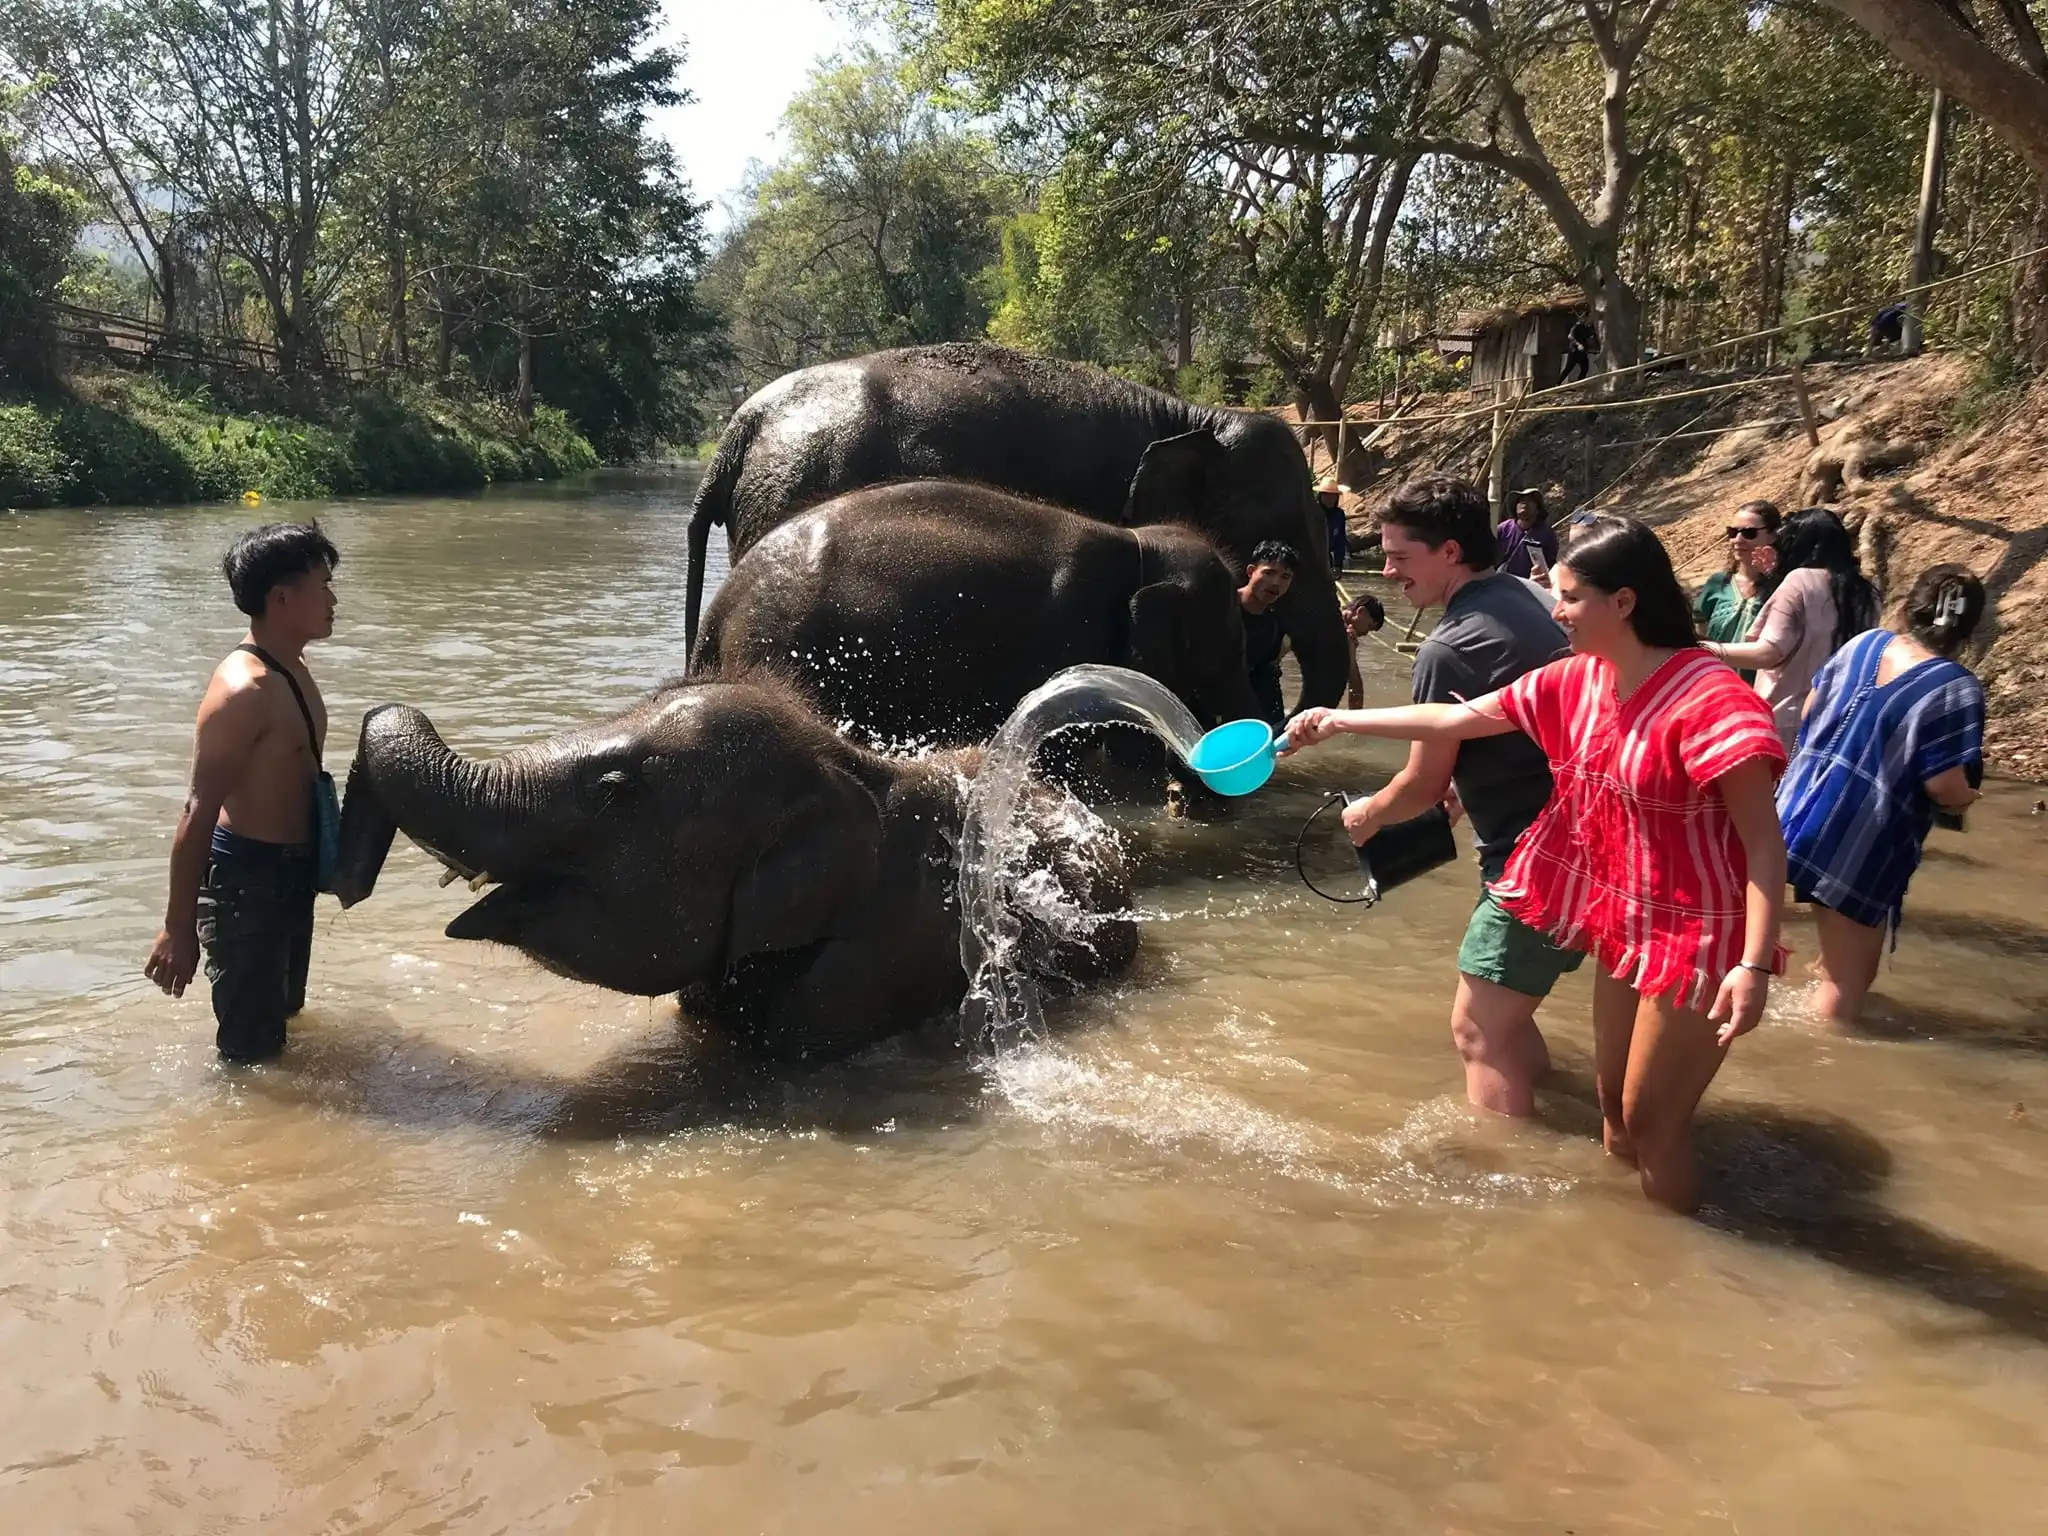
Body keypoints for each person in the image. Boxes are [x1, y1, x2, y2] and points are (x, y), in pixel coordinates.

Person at [1285, 515, 1788, 1211]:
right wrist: (1338, 721)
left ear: (1624, 602)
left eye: (1572, 597)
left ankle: (1695, 1262)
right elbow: (1458, 720)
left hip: (1700, 937)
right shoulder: (1578, 680)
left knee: (1654, 1126)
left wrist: (1754, 965)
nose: (1557, 612)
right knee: (1615, 1124)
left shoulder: (1711, 700)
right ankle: (1631, 1260)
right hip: (1626, 921)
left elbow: (1764, 843)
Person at [1326, 475, 1580, 1118]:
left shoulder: (1448, 647)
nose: (1386, 573)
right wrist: (1469, 789)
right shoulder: (1537, 596)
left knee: (1478, 1031)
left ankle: (1507, 1187)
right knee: (1509, 1016)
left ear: (1449, 553)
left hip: (1535, 860)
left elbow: (1420, 784)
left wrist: (1365, 817)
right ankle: (1569, 1127)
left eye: (1399, 556)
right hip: (1594, 844)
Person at [144, 523, 340, 1063]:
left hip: (290, 876)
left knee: (285, 1022)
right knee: (251, 1058)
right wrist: (176, 930)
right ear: (282, 598)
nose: (333, 599)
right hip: (246, 885)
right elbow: (197, 810)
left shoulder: (292, 668)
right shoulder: (244, 689)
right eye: (322, 586)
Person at [1777, 565, 1988, 1027]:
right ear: (1968, 628)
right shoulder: (1956, 687)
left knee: (1825, 955)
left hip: (1794, 813)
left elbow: (1810, 708)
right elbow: (1943, 785)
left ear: (1910, 606)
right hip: (1860, 842)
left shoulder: (1864, 643)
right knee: (1848, 979)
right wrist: (1967, 799)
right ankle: (1825, 1056)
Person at [1704, 506, 1878, 750]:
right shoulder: (1867, 591)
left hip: (1787, 718)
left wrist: (1705, 649)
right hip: (1842, 716)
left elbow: (1769, 652)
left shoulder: (1800, 580)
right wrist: (1776, 575)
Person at [1692, 499, 1782, 679]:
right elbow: (1699, 633)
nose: (1738, 540)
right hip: (1717, 684)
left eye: (1749, 533)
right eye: (1733, 532)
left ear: (1773, 535)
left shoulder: (1784, 586)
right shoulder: (1717, 584)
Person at [1239, 540, 1299, 730]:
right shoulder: (1222, 607)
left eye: (1285, 577)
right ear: (1250, 571)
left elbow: (1266, 678)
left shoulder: (1275, 624)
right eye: (1269, 573)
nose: (1276, 583)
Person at [1495, 488, 1558, 581]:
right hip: (1502, 582)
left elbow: (1551, 564)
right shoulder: (1503, 528)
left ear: (1537, 510)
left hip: (1531, 585)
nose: (1524, 504)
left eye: (1530, 501)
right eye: (1520, 501)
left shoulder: (1546, 533)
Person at [1342, 592, 1388, 709]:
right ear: (1360, 611)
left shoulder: (1346, 633)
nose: (1366, 633)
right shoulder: (1343, 633)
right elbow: (1354, 684)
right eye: (1369, 626)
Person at [1318, 475, 1350, 572]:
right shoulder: (1313, 512)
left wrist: (1338, 564)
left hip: (1327, 559)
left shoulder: (1339, 515)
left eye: (1333, 496)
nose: (1330, 499)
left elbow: (1340, 540)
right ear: (1321, 496)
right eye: (1326, 495)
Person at [1562, 310, 1600, 384]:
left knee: (1585, 368)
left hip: (1582, 352)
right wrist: (1578, 344)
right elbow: (1570, 336)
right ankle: (1558, 384)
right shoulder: (1577, 326)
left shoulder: (1588, 327)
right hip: (1574, 350)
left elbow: (1590, 337)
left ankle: (1578, 384)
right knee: (1568, 368)